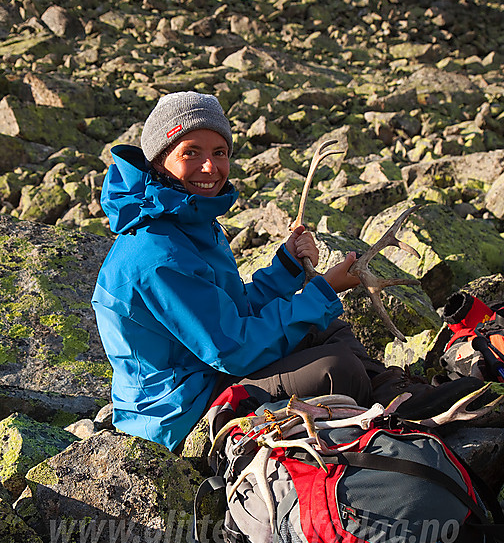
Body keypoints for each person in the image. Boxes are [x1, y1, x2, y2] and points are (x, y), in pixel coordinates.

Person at [92, 91, 390, 453]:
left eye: (219, 153)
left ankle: (407, 399)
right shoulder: (157, 254)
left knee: (329, 329)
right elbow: (232, 348)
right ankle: (380, 436)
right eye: (191, 152)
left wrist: (285, 268)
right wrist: (323, 291)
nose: (210, 167)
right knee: (335, 369)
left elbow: (228, 310)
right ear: (158, 162)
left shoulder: (187, 221)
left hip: (207, 371)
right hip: (179, 414)